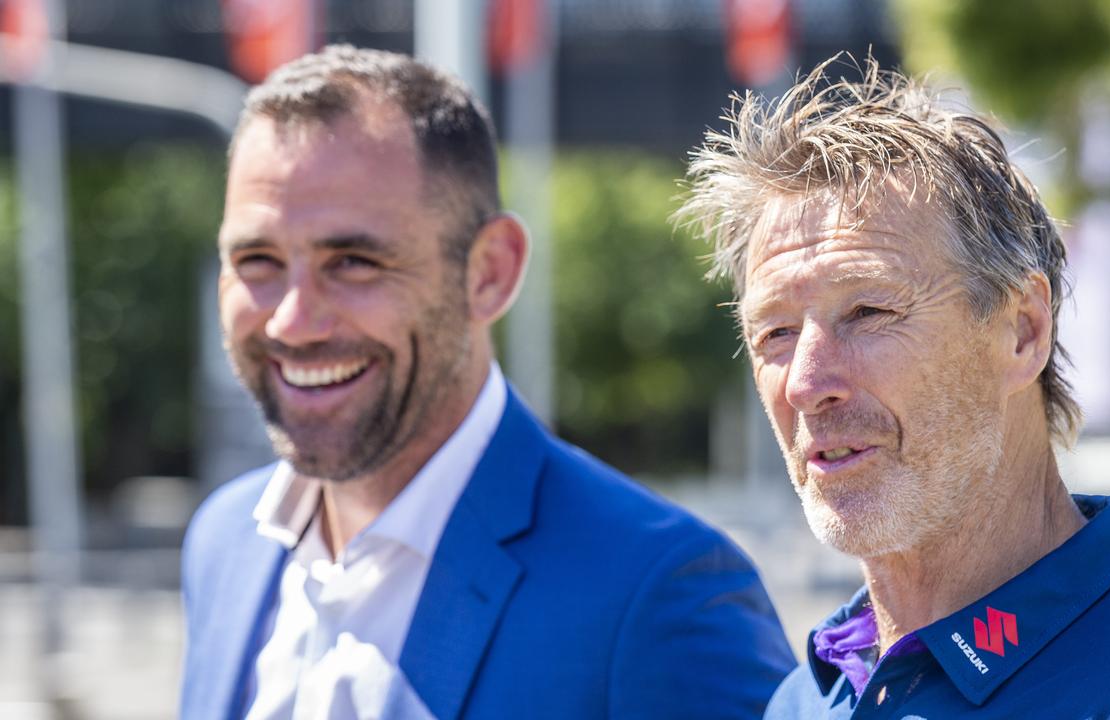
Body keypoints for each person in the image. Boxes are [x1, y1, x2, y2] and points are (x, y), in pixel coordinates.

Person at [181, 44, 795, 720]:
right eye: (258, 261)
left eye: (353, 261)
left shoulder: (656, 597)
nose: (293, 322)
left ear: (490, 272)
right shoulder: (224, 543)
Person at [676, 55, 1110, 719]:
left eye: (869, 312)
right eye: (775, 335)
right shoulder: (806, 697)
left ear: (1023, 331)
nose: (807, 383)